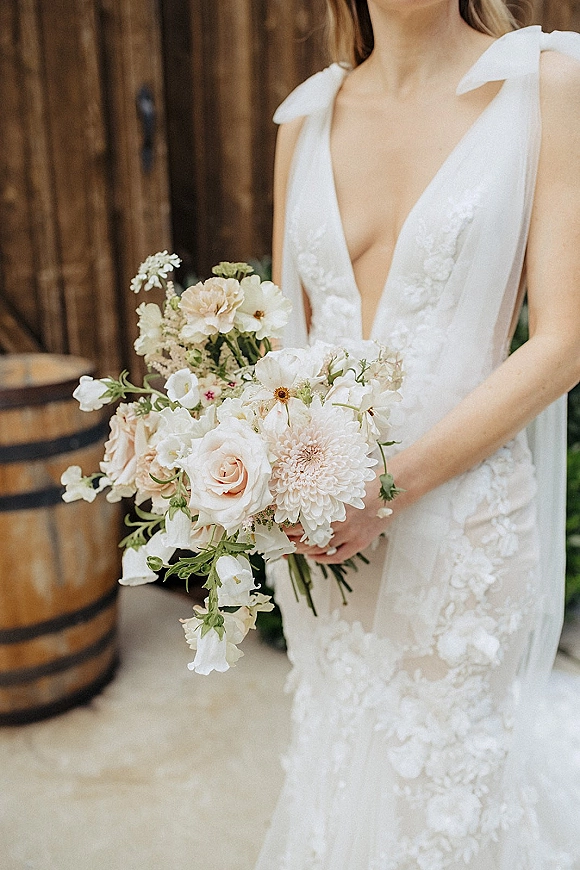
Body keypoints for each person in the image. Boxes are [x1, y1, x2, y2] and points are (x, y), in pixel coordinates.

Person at [255, 2, 580, 868]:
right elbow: (283, 350)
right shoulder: (306, 116)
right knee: (340, 763)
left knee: (445, 799)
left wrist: (387, 486)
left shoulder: (545, 85)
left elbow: (564, 342)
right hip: (329, 542)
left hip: (465, 535)